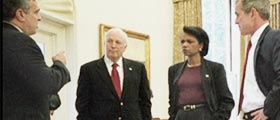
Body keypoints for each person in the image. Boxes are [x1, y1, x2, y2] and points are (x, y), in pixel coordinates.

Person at [3, 0, 71, 119]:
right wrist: (60, 64)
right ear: (21, 14)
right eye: (36, 12)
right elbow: (47, 84)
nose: (39, 18)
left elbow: (24, 85)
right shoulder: (20, 41)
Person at [75, 28, 152, 120]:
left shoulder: (138, 69)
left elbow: (145, 102)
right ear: (105, 44)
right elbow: (82, 105)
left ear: (125, 47)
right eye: (109, 41)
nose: (113, 45)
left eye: (118, 42)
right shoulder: (89, 70)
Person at [168, 26, 234, 120]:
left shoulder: (215, 69)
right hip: (181, 115)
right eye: (182, 41)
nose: (185, 45)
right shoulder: (174, 70)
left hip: (204, 115)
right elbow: (172, 100)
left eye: (190, 41)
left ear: (201, 45)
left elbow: (227, 100)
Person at [235, 0, 280, 120]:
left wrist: (268, 110)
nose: (236, 21)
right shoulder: (253, 44)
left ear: (252, 13)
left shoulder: (275, 38)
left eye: (238, 15)